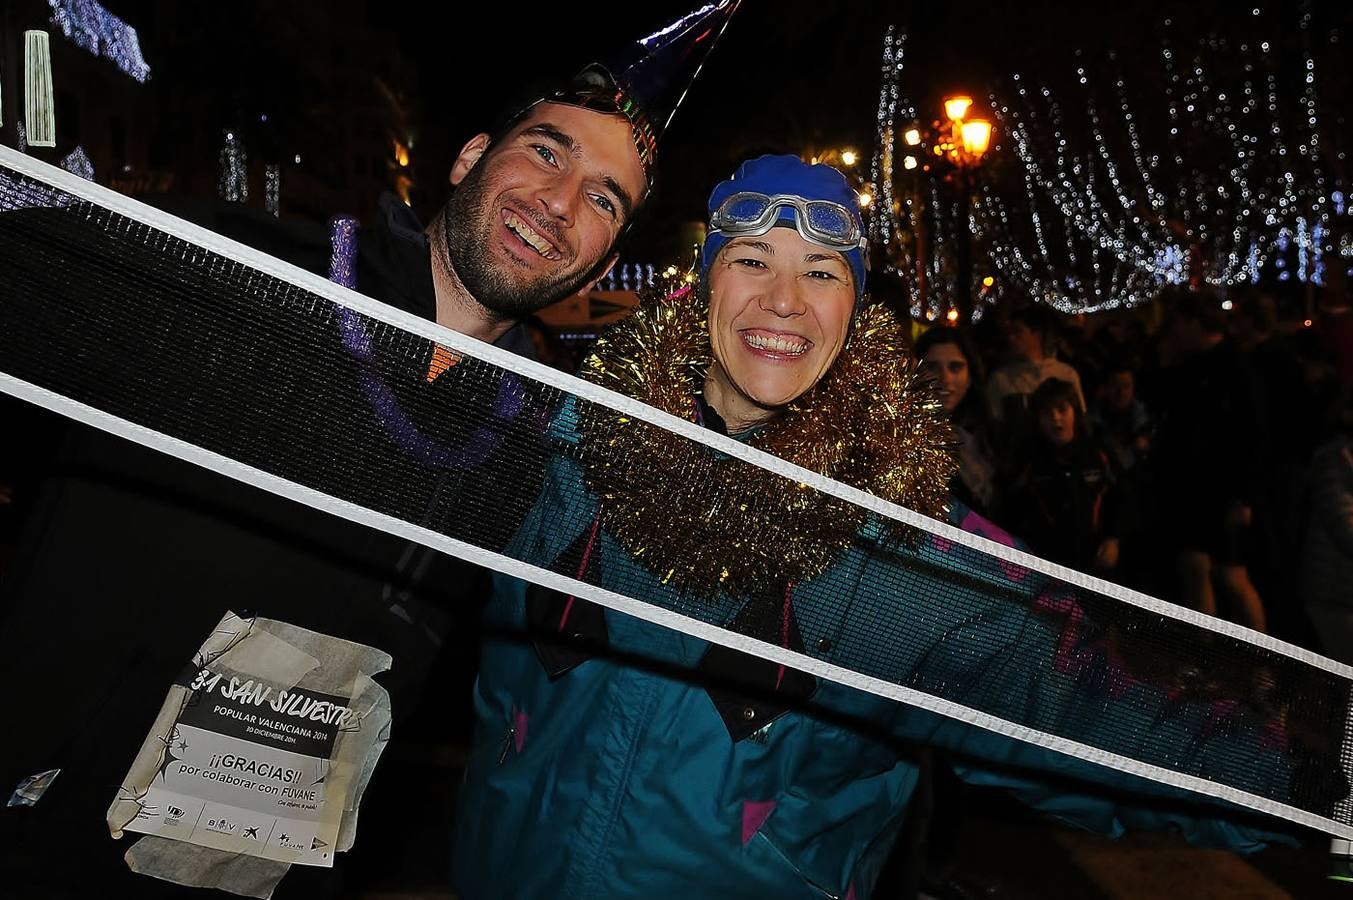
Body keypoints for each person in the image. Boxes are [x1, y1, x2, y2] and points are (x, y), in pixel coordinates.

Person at [451, 156, 1302, 900]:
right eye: (751, 260)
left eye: (822, 272)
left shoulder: (909, 553)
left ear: (855, 311)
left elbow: (1096, 705)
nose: (783, 301)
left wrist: (1314, 776)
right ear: (701, 283)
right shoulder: (557, 449)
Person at [0, 54, 665, 897]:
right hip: (36, 826)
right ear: (468, 159)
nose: (560, 202)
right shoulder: (229, 266)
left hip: (244, 866)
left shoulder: (527, 451)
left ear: (602, 266)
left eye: (604, 199)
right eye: (545, 152)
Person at [1146, 290, 1267, 633]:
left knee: (1231, 574)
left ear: (1194, 322)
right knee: (1195, 567)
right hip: (1194, 489)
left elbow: (1252, 435)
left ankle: (1264, 660)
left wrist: (1243, 496)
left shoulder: (1235, 367)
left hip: (1222, 489)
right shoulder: (1191, 365)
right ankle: (1204, 655)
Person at [1007, 378, 1125, 575]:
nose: (1055, 418)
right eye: (1047, 413)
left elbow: (1122, 498)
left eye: (1062, 409)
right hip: (1047, 569)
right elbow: (1014, 511)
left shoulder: (1099, 454)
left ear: (1075, 411)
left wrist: (1114, 539)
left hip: (1097, 563)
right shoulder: (1028, 461)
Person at [916, 325, 997, 517]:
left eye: (955, 367)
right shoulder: (900, 435)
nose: (945, 378)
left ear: (970, 376)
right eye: (932, 367)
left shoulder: (994, 438)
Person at [986, 305, 1086, 427]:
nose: (1010, 338)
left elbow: (1080, 420)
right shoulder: (1000, 379)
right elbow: (996, 424)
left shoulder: (1065, 374)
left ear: (1037, 334)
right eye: (1009, 332)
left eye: (1017, 332)